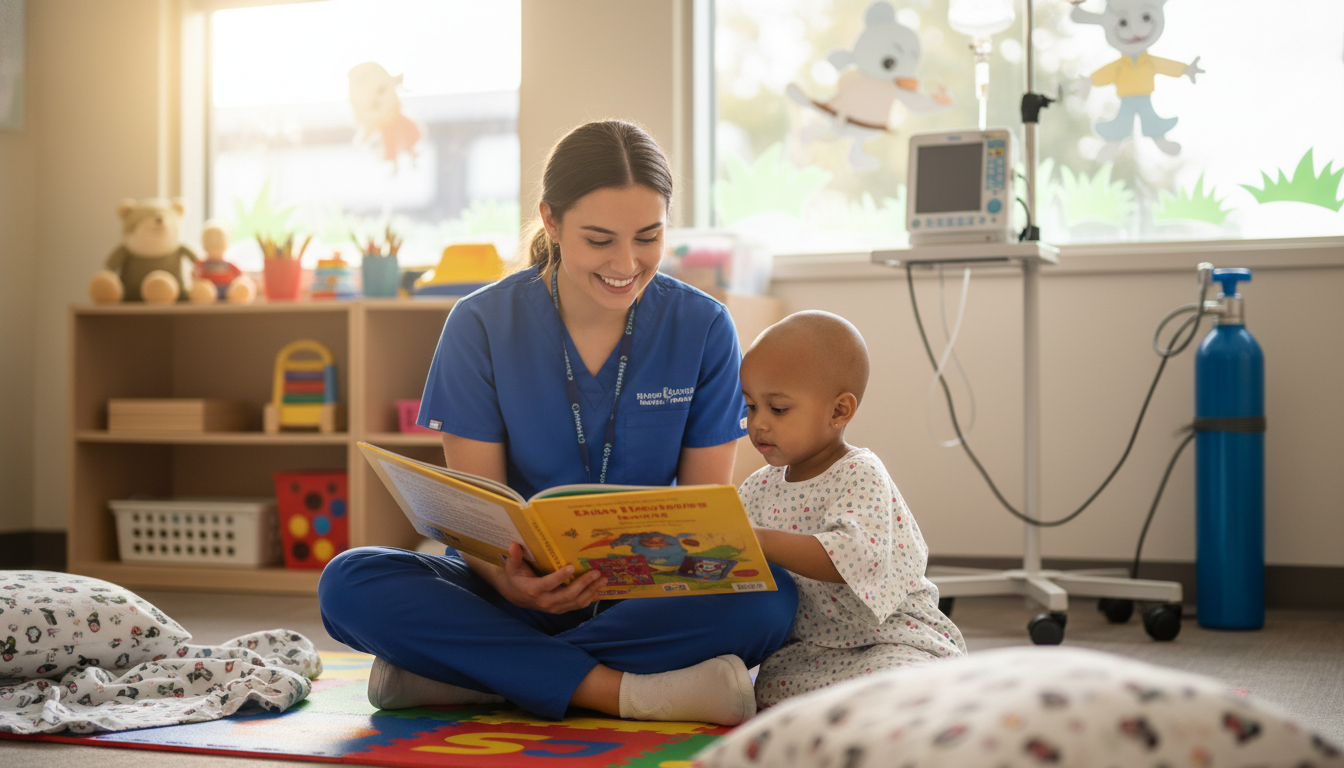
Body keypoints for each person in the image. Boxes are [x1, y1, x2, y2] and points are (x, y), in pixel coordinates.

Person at [318, 120, 798, 726]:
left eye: (648, 237)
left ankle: (473, 678)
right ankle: (616, 691)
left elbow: (704, 511)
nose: (627, 263)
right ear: (551, 221)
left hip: (646, 598)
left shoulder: (704, 327)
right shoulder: (480, 324)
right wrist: (510, 582)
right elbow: (478, 513)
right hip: (511, 594)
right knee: (349, 582)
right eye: (600, 240)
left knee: (773, 599)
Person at [738, 310, 965, 708]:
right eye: (750, 406)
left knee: (900, 688)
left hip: (886, 636)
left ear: (839, 411)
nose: (758, 423)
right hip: (806, 651)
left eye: (777, 409)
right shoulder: (757, 488)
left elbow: (853, 557)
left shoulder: (859, 473)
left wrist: (761, 542)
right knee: (768, 698)